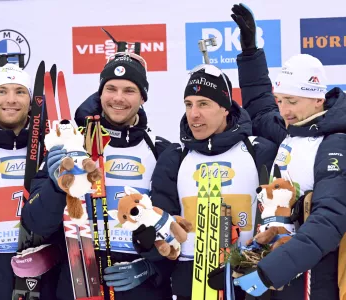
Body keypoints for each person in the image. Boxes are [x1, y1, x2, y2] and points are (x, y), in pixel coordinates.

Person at [21, 52, 173, 300]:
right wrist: (56, 187)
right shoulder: (71, 146)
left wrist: (152, 267)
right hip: (78, 281)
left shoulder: (161, 151)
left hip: (142, 290)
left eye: (129, 90)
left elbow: (176, 227)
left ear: (143, 97)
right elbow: (35, 222)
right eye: (111, 88)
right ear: (100, 93)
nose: (118, 98)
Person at [232, 3, 346, 299]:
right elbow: (259, 107)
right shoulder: (291, 128)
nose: (284, 110)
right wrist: (250, 52)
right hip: (283, 272)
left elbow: (330, 219)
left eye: (292, 101)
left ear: (318, 99)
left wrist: (271, 271)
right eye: (280, 100)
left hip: (317, 277)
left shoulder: (335, 142)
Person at [148, 63, 278, 300]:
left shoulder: (259, 150)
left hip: (249, 282)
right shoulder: (175, 157)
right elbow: (161, 227)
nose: (194, 114)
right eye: (189, 104)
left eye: (204, 104)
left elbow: (278, 221)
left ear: (225, 107)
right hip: (191, 283)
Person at [0, 63, 69, 300]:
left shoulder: (49, 151)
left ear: (31, 102)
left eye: (19, 92)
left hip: (42, 272)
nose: (11, 99)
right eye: (2, 91)